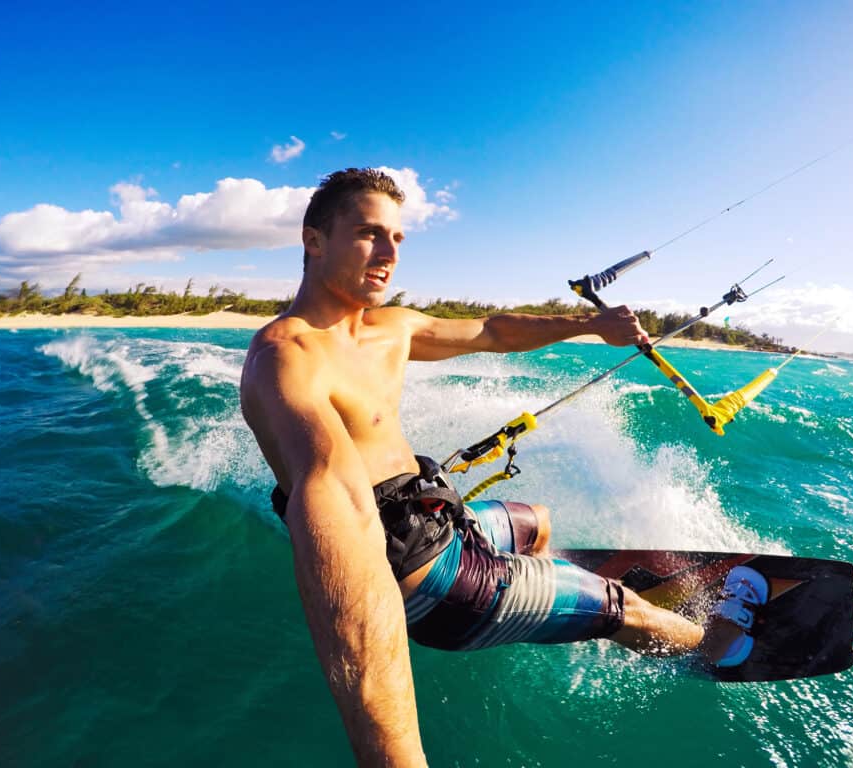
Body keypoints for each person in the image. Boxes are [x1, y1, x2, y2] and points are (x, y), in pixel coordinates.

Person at [239, 168, 766, 766]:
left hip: (433, 521)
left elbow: (490, 330)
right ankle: (707, 643)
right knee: (627, 606)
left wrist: (590, 324)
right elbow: (339, 512)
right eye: (368, 234)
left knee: (536, 521)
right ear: (314, 240)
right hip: (433, 585)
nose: (388, 254)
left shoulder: (389, 327)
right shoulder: (288, 359)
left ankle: (543, 597)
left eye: (398, 239)